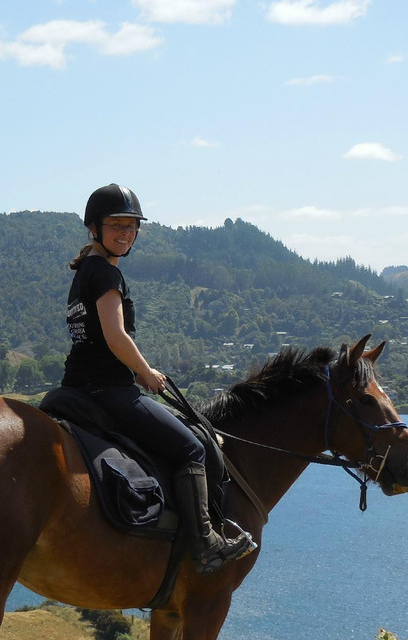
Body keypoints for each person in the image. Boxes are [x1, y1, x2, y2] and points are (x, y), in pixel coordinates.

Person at [52, 183, 256, 574]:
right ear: (94, 228)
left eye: (131, 227)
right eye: (116, 225)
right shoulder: (106, 275)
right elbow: (116, 337)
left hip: (76, 387)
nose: (125, 234)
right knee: (193, 447)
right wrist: (146, 373)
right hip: (110, 390)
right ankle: (206, 543)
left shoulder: (86, 272)